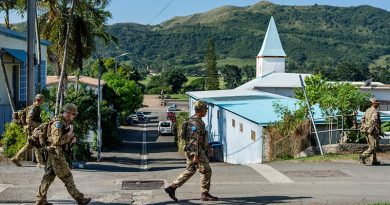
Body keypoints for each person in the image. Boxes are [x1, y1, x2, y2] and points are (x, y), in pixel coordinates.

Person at [35, 103, 91, 205]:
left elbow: (58, 140)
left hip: (53, 153)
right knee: (67, 176)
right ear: (68, 113)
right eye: (73, 114)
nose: (74, 117)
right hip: (56, 153)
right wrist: (69, 137)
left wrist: (69, 138)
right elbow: (56, 141)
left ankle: (40, 200)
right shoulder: (58, 123)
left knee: (48, 177)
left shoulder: (62, 123)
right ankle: (80, 199)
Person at [164, 100, 218, 202]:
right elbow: (194, 140)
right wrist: (196, 156)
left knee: (190, 170)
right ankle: (205, 194)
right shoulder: (195, 123)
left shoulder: (194, 120)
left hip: (191, 151)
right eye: (205, 110)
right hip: (195, 151)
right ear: (199, 111)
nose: (206, 112)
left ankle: (172, 188)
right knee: (207, 171)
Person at [11, 94, 45, 168]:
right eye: (42, 100)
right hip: (32, 130)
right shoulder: (33, 109)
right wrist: (39, 124)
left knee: (29, 145)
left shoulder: (37, 108)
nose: (42, 102)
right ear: (38, 100)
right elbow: (28, 121)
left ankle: (16, 158)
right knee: (36, 144)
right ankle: (40, 163)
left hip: (34, 130)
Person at [359, 98, 381, 165]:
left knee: (371, 145)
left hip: (366, 130)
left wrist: (364, 126)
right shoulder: (375, 111)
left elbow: (362, 119)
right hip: (372, 131)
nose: (378, 104)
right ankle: (363, 156)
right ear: (374, 104)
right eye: (377, 103)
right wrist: (378, 130)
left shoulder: (367, 110)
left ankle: (374, 160)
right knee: (374, 147)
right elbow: (375, 121)